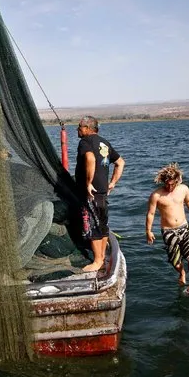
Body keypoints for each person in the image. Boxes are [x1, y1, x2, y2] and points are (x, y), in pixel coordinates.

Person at [75, 116, 125, 272]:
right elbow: (120, 162)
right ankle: (102, 257)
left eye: (80, 127)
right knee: (102, 226)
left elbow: (90, 158)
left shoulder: (85, 142)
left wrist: (88, 183)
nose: (77, 129)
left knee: (93, 225)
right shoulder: (105, 142)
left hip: (91, 193)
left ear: (88, 128)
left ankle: (97, 261)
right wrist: (112, 183)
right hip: (102, 192)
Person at [146, 162, 189, 294]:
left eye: (172, 184)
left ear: (177, 181)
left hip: (184, 228)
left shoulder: (183, 189)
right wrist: (148, 231)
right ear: (163, 181)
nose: (169, 187)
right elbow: (151, 213)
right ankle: (182, 273)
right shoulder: (156, 195)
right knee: (174, 261)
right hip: (168, 231)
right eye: (167, 184)